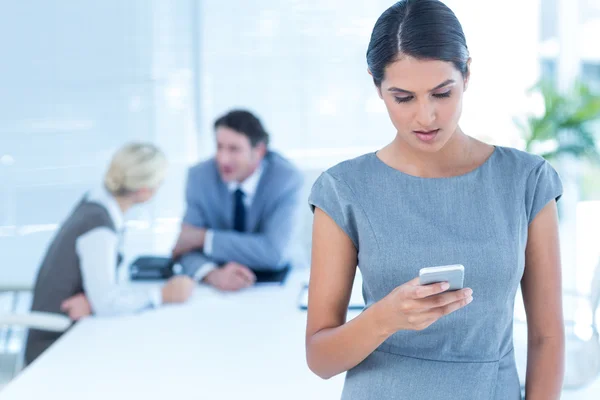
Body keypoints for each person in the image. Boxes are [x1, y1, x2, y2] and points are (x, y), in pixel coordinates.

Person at [305, 1, 564, 399]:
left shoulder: (525, 181)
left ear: (467, 75)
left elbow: (547, 336)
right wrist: (386, 318)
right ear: (377, 86)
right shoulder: (344, 189)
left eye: (442, 93)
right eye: (403, 98)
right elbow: (320, 359)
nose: (425, 116)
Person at [25, 143, 195, 365]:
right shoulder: (98, 226)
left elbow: (101, 292)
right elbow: (106, 302)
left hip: (71, 332)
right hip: (55, 347)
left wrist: (94, 301)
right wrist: (163, 295)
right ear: (145, 190)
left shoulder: (94, 202)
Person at [172, 109, 304, 291]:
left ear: (259, 151)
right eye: (219, 147)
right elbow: (185, 246)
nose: (223, 159)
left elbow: (274, 252)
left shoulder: (286, 179)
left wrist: (205, 238)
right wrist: (212, 275)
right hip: (221, 288)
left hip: (281, 287)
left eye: (234, 149)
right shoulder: (199, 177)